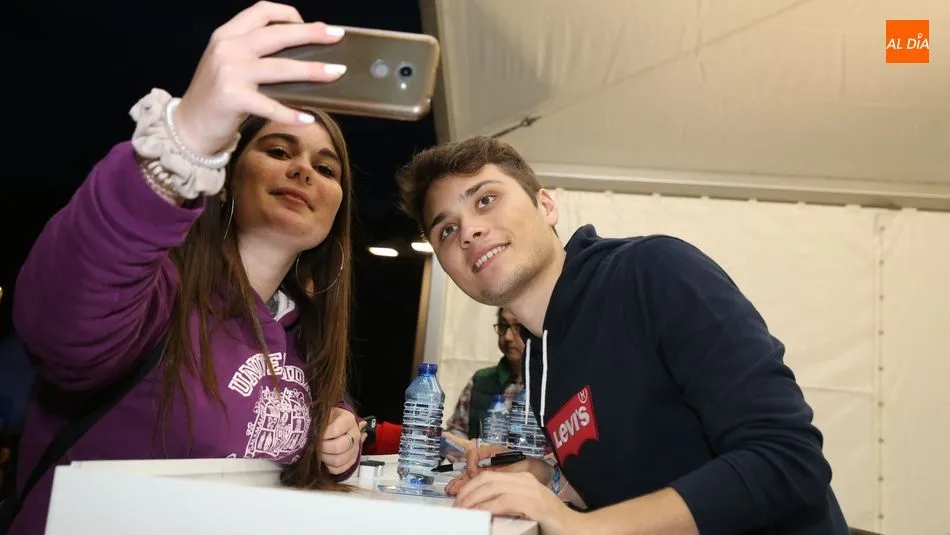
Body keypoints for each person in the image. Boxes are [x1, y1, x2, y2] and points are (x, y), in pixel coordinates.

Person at [8, 4, 365, 534]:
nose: (302, 170)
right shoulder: (151, 292)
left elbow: (298, 433)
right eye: (277, 148)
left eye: (325, 167)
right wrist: (184, 143)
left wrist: (341, 437)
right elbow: (62, 319)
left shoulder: (303, 334)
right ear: (228, 174)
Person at [395, 136, 850, 535]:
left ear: (546, 205)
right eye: (447, 230)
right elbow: (647, 477)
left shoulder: (654, 272)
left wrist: (581, 527)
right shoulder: (539, 354)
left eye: (486, 200)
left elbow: (788, 461)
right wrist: (551, 481)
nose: (469, 231)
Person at [442, 307, 525, 456]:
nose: (507, 337)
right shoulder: (481, 379)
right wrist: (468, 449)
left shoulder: (550, 384)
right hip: (479, 471)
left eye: (517, 327)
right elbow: (456, 431)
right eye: (502, 326)